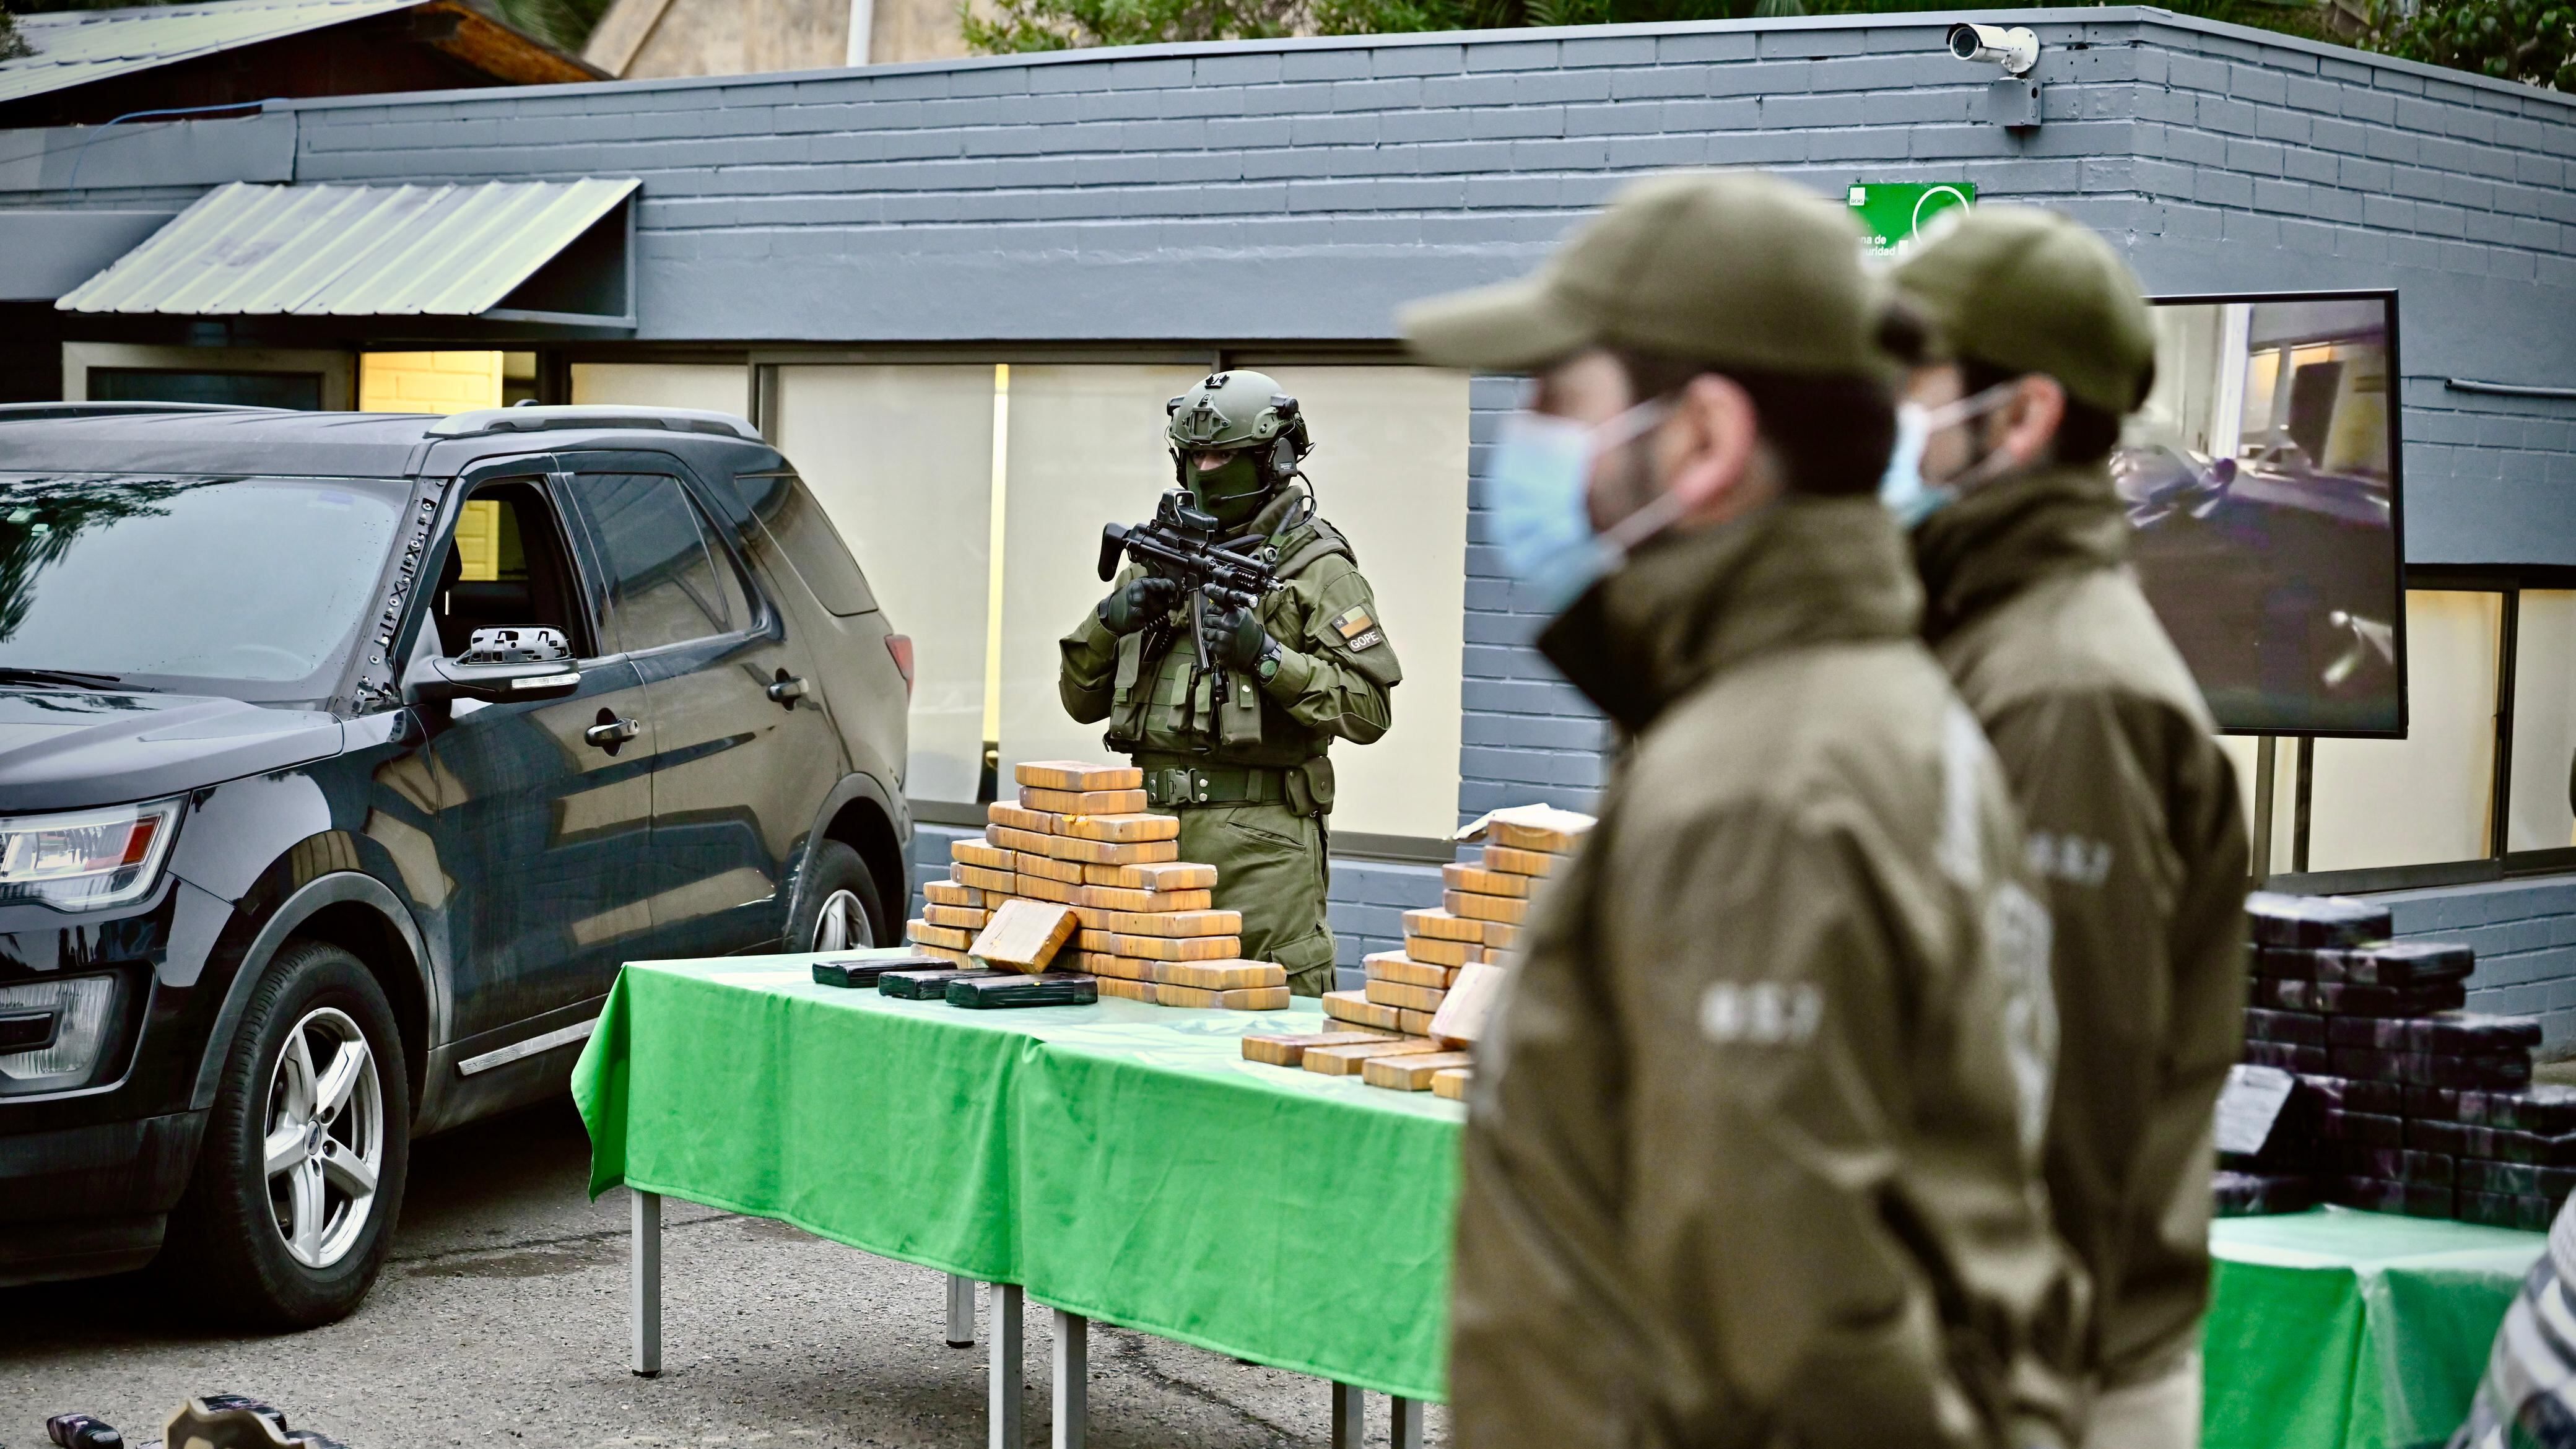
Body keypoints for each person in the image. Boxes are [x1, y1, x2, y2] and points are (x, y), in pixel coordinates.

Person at [1402, 171, 2079, 1449]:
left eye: (1561, 400)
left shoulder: (1760, 790)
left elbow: (1791, 1359)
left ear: (1702, 442)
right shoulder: (1858, 710)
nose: (1527, 444)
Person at [1884, 205, 2250, 1449]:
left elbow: (2052, 1123)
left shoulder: (2064, 696)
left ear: (2023, 415)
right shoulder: (1980, 640)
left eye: (1909, 381)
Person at [1058, 371, 1401, 996]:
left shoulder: (1316, 571)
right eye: (1192, 455)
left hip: (1261, 853)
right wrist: (1112, 620)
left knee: (1262, 1020)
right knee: (1137, 1018)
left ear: (1273, 459)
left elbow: (1369, 709)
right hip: (1145, 838)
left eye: (1221, 456)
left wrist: (1266, 657)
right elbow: (1078, 700)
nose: (1203, 469)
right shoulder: (1155, 558)